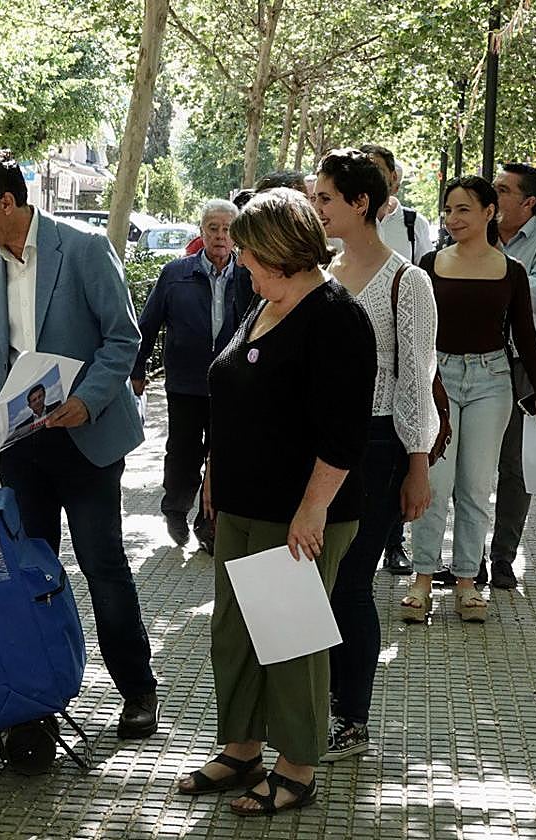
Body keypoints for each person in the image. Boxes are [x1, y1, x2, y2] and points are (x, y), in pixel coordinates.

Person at [0, 150, 159, 739]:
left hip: (89, 437)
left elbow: (122, 339)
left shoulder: (83, 248)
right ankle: (38, 698)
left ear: (7, 202)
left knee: (102, 565)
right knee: (28, 572)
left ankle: (138, 690)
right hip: (21, 442)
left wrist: (88, 400)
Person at [177, 188, 375, 816]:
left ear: (280, 251)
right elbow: (235, 393)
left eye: (248, 251)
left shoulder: (336, 317)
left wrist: (312, 509)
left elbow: (343, 434)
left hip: (297, 511)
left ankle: (297, 767)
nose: (239, 261)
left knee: (290, 637)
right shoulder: (265, 301)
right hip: (241, 503)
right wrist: (213, 472)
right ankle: (242, 749)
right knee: (235, 633)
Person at [310, 150, 438, 761]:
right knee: (316, 580)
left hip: (380, 444)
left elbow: (416, 381)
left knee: (351, 581)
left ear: (361, 203)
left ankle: (351, 718)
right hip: (318, 446)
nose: (316, 207)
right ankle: (314, 705)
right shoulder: (317, 273)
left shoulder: (407, 282)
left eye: (326, 197)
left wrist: (417, 466)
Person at [403, 176, 536, 624]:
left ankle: (467, 581)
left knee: (475, 486)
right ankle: (422, 577)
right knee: (435, 482)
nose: (453, 219)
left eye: (464, 209)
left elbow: (525, 333)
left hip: (492, 380)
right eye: (448, 210)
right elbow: (413, 331)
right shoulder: (428, 265)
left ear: (490, 212)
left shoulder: (512, 271)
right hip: (438, 379)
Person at [131, 198, 250, 554]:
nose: (220, 236)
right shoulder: (176, 274)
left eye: (227, 229)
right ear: (202, 232)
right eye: (213, 228)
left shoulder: (248, 275)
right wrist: (138, 369)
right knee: (183, 453)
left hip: (230, 385)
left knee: (223, 455)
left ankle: (209, 525)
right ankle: (176, 509)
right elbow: (148, 324)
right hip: (185, 382)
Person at [482, 163, 536, 588]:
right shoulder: (475, 234)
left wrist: (489, 264)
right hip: (476, 361)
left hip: (527, 365)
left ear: (529, 203)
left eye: (502, 190)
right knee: (469, 463)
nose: (493, 194)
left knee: (515, 467)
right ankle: (467, 559)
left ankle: (503, 557)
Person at [360, 144, 436, 577]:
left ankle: (395, 543)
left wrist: (418, 461)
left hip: (384, 419)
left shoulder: (411, 229)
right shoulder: (328, 260)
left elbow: (416, 369)